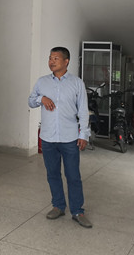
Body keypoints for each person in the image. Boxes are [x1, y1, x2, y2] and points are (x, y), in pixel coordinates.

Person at [28, 47, 92, 228]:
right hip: (48, 137)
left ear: (66, 61)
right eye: (50, 58)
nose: (51, 61)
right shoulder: (42, 82)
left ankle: (77, 211)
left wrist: (84, 134)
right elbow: (31, 101)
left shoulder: (77, 83)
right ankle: (58, 206)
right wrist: (41, 99)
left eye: (56, 58)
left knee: (73, 176)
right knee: (53, 174)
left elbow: (83, 110)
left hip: (70, 137)